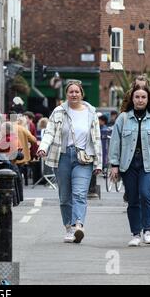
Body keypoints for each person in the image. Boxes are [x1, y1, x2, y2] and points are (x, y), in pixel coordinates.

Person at [37, 80, 102, 244]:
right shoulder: (58, 112)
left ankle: (78, 225)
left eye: (77, 92)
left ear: (82, 94)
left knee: (79, 194)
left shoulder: (91, 112)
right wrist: (43, 147)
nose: (74, 94)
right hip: (63, 156)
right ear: (66, 94)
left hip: (84, 158)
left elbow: (97, 139)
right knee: (65, 196)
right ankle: (68, 227)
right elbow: (50, 132)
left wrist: (99, 163)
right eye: (71, 92)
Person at [108, 85, 150, 247]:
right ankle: (135, 234)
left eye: (143, 97)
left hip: (148, 163)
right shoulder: (123, 118)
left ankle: (147, 231)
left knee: (146, 194)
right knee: (133, 198)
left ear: (148, 100)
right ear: (132, 99)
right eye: (137, 97)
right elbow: (115, 142)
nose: (140, 100)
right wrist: (114, 165)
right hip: (129, 164)